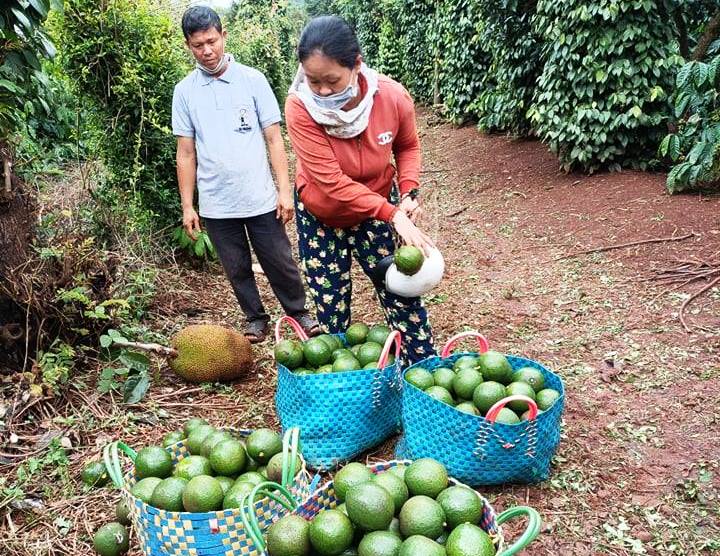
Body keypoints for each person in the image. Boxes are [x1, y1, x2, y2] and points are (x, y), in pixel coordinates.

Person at [284, 15, 435, 364]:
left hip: (377, 210)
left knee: (400, 289)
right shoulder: (299, 106)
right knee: (330, 303)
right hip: (322, 213)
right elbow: (331, 182)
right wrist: (393, 213)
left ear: (356, 65)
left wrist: (409, 191)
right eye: (313, 80)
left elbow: (408, 145)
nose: (321, 90)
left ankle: (421, 373)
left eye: (331, 80)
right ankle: (345, 387)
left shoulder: (392, 97)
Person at [172, 6, 319, 343]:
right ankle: (255, 318)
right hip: (216, 202)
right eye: (198, 45)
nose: (207, 51)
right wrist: (187, 206)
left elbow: (273, 139)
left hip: (259, 196)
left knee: (279, 259)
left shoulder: (252, 80)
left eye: (212, 41)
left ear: (224, 36)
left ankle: (299, 313)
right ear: (188, 45)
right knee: (236, 267)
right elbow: (186, 152)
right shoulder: (185, 91)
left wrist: (285, 191)